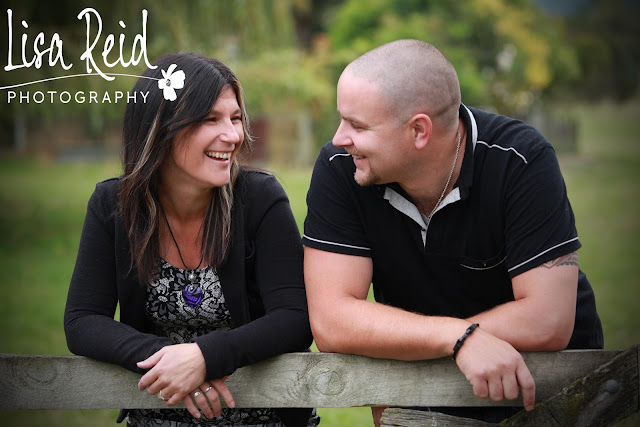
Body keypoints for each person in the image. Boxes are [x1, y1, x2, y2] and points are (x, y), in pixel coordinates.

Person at [302, 39, 603, 424]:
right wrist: (457, 339)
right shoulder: (341, 166)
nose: (339, 138)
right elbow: (332, 322)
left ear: (419, 130)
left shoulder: (520, 158)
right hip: (418, 381)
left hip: (540, 385)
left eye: (357, 125)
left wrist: (449, 338)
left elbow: (547, 320)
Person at [64, 52, 319, 427]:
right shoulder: (114, 206)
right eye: (210, 119)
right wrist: (172, 360)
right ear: (160, 127)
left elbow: (295, 318)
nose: (233, 135)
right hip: (157, 418)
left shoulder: (259, 198)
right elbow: (83, 321)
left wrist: (204, 357)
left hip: (263, 419)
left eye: (235, 118)